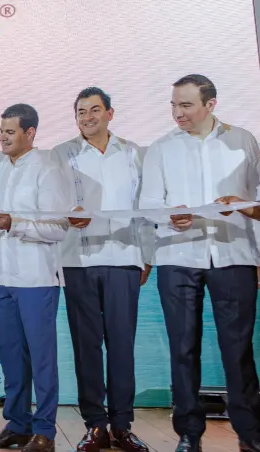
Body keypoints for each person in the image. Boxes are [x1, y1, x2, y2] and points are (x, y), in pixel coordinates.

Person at [139, 74, 260, 452]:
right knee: (183, 348)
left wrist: (243, 209)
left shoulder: (243, 141)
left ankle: (250, 432)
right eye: (174, 105)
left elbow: (258, 199)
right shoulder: (161, 148)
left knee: (238, 348)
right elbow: (148, 205)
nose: (178, 113)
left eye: (186, 105)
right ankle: (189, 433)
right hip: (178, 255)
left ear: (211, 104)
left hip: (234, 253)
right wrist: (168, 216)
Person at [50, 87, 152, 452]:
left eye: (94, 110)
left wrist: (147, 256)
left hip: (125, 259)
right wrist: (66, 215)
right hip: (78, 260)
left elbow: (144, 207)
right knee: (86, 347)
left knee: (122, 345)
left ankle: (122, 425)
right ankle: (95, 425)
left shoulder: (132, 152)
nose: (87, 117)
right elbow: (51, 203)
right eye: (81, 111)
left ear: (110, 113)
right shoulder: (60, 154)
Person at [0, 104, 69, 452]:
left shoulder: (48, 169)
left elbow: (58, 228)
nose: (2, 137)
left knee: (41, 359)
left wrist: (14, 224)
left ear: (30, 133)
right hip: (3, 278)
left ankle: (44, 431)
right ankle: (17, 425)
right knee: (11, 356)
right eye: (1, 131)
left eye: (10, 131)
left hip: (37, 278)